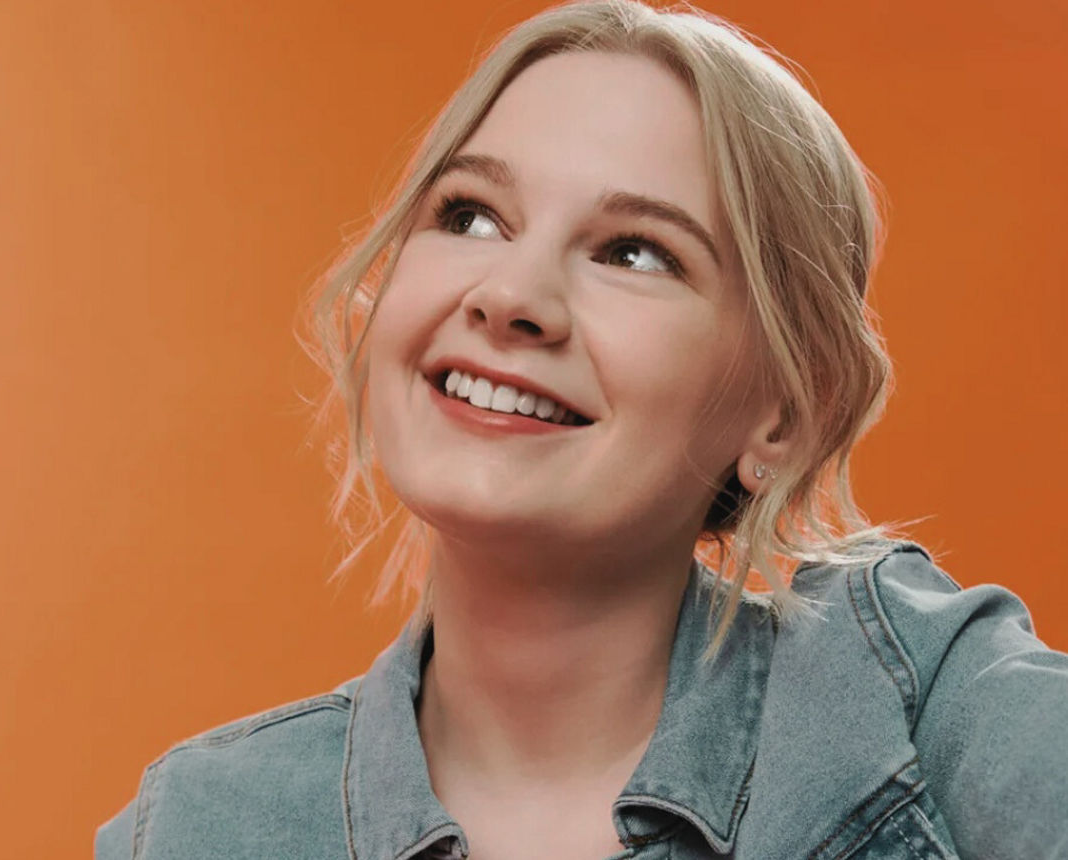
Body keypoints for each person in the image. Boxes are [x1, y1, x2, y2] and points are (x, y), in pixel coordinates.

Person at [96, 1, 1068, 858]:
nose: (511, 295)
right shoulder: (195, 824)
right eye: (471, 215)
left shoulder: (913, 692)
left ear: (783, 412)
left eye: (634, 251)